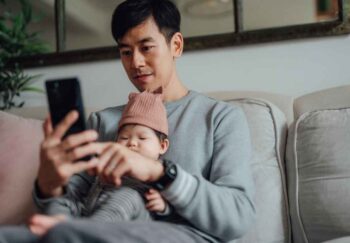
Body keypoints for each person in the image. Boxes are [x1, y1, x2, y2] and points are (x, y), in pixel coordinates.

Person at [0, 0, 255, 242]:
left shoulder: (221, 118)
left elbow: (238, 217)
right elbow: (66, 216)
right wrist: (49, 186)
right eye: (125, 51)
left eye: (146, 47)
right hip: (90, 232)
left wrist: (158, 172)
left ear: (176, 45)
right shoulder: (103, 122)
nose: (136, 63)